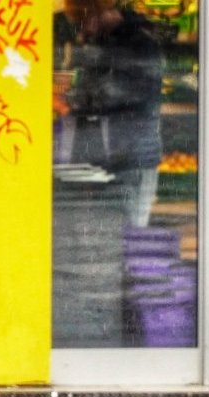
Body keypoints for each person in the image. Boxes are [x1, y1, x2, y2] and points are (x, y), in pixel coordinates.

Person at [63, 0, 163, 227]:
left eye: (83, 22)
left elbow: (121, 92)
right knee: (110, 233)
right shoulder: (106, 43)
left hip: (133, 158)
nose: (83, 30)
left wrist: (77, 98)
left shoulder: (140, 45)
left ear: (97, 13)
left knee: (129, 232)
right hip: (112, 157)